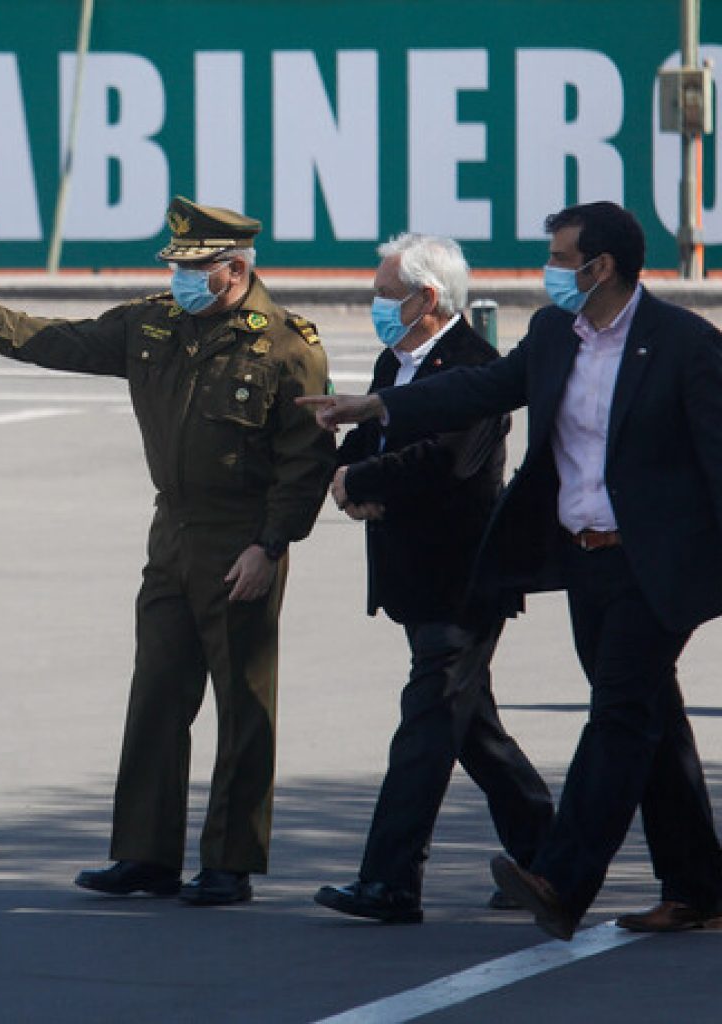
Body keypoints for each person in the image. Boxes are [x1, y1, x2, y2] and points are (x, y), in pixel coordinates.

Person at [299, 201, 722, 940]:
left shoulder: (684, 344)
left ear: (601, 267)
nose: (548, 270)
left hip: (657, 567)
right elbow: (481, 388)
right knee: (652, 717)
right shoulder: (555, 333)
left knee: (619, 716)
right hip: (586, 560)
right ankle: (699, 888)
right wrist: (378, 405)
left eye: (560, 258)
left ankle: (560, 878)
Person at [0, 196, 334, 906]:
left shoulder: (287, 347)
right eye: (176, 267)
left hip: (241, 537)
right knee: (157, 693)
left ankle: (229, 864)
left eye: (195, 269)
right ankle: (146, 854)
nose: (180, 280)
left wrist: (270, 545)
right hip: (173, 533)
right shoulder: (153, 323)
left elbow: (306, 460)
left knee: (243, 704)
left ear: (234, 269)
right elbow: (63, 341)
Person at [312, 233, 553, 925]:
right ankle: (549, 858)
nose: (376, 305)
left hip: (464, 581)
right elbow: (372, 440)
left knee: (425, 726)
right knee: (472, 728)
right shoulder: (396, 359)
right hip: (414, 578)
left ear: (427, 298)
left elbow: (444, 460)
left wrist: (359, 481)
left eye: (386, 294)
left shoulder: (477, 367)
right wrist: (342, 472)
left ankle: (389, 881)